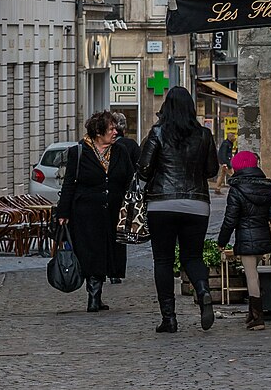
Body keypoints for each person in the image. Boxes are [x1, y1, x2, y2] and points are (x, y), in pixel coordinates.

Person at [136, 85, 220, 335]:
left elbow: (143, 169)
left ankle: (169, 318)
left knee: (163, 260)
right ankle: (203, 290)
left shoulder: (158, 133)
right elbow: (212, 170)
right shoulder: (204, 135)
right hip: (196, 204)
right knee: (191, 256)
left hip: (162, 203)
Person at [218, 147, 271, 330]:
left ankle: (257, 318)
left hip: (246, 240)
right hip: (263, 239)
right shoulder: (265, 188)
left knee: (251, 277)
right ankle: (252, 314)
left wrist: (222, 242)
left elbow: (230, 219)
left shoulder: (236, 190)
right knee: (254, 274)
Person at [56, 111, 116, 312]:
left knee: (102, 253)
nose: (115, 132)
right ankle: (93, 295)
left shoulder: (119, 151)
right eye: (111, 129)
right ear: (98, 132)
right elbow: (69, 184)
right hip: (84, 212)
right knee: (90, 253)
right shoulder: (79, 152)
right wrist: (63, 213)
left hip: (108, 212)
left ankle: (95, 295)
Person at [104, 110, 138, 283]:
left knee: (106, 238)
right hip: (120, 200)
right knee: (118, 238)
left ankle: (103, 274)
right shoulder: (130, 145)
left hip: (115, 200)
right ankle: (114, 272)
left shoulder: (121, 148)